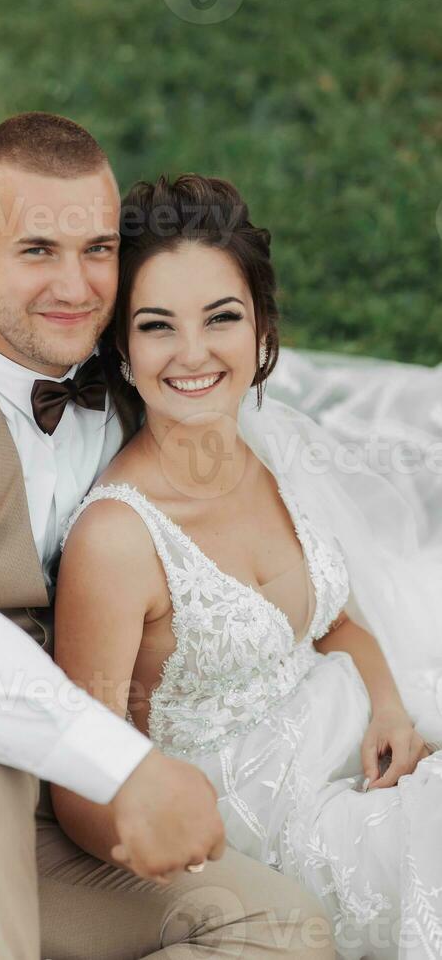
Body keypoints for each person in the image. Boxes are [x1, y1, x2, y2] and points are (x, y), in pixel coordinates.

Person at [0, 115, 334, 960]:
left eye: (99, 250)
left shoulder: (130, 376)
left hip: (36, 805)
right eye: (38, 249)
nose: (76, 286)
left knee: (280, 928)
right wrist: (123, 765)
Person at [54, 172, 442, 960]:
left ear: (261, 330)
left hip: (366, 755)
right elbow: (77, 776)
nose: (193, 355)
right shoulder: (118, 540)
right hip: (280, 835)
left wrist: (392, 709)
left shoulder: (268, 446)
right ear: (121, 348)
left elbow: (331, 620)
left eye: (221, 318)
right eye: (158, 326)